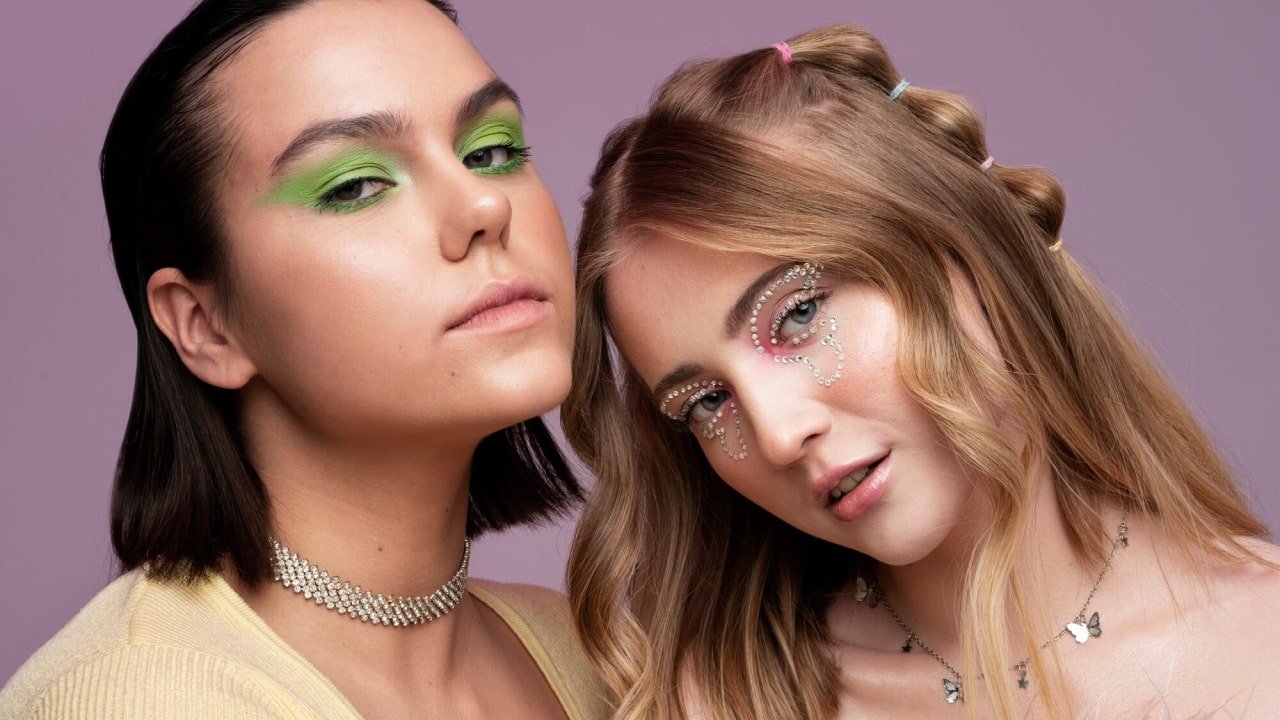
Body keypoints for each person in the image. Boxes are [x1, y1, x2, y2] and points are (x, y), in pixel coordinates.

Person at [564, 24, 1280, 719]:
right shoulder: (719, 703)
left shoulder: (1262, 643)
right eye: (706, 402)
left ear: (961, 242)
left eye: (798, 314)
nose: (778, 436)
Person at [0, 1, 603, 718]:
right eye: (355, 186)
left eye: (492, 151)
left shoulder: (591, 654)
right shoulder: (136, 697)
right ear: (205, 327)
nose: (484, 206)